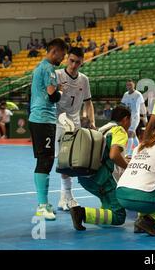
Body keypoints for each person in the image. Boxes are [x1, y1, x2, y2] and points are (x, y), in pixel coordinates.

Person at [69, 105, 131, 231]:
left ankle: (97, 215)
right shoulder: (119, 130)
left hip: (85, 177)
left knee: (109, 207)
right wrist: (128, 167)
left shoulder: (102, 129)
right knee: (119, 216)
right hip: (103, 180)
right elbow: (113, 155)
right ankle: (81, 213)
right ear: (125, 119)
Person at [28, 38, 68, 220]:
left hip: (42, 120)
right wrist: (61, 91)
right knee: (45, 160)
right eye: (63, 54)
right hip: (43, 119)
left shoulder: (41, 68)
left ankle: (43, 203)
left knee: (46, 159)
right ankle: (42, 205)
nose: (64, 58)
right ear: (54, 51)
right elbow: (52, 97)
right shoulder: (48, 69)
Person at [55, 47, 95, 211]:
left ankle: (64, 197)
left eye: (78, 62)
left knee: (73, 161)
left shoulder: (84, 79)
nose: (74, 65)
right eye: (71, 61)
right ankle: (69, 196)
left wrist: (91, 121)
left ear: (81, 62)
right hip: (58, 122)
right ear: (66, 59)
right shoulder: (57, 75)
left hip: (75, 123)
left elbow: (88, 102)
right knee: (64, 161)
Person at [121, 79, 145, 157]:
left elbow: (142, 106)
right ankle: (140, 149)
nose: (129, 87)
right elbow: (123, 105)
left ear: (134, 85)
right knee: (133, 134)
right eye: (127, 85)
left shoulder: (138, 94)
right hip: (128, 117)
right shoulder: (125, 94)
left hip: (135, 117)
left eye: (130, 85)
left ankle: (128, 153)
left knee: (130, 133)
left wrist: (145, 117)